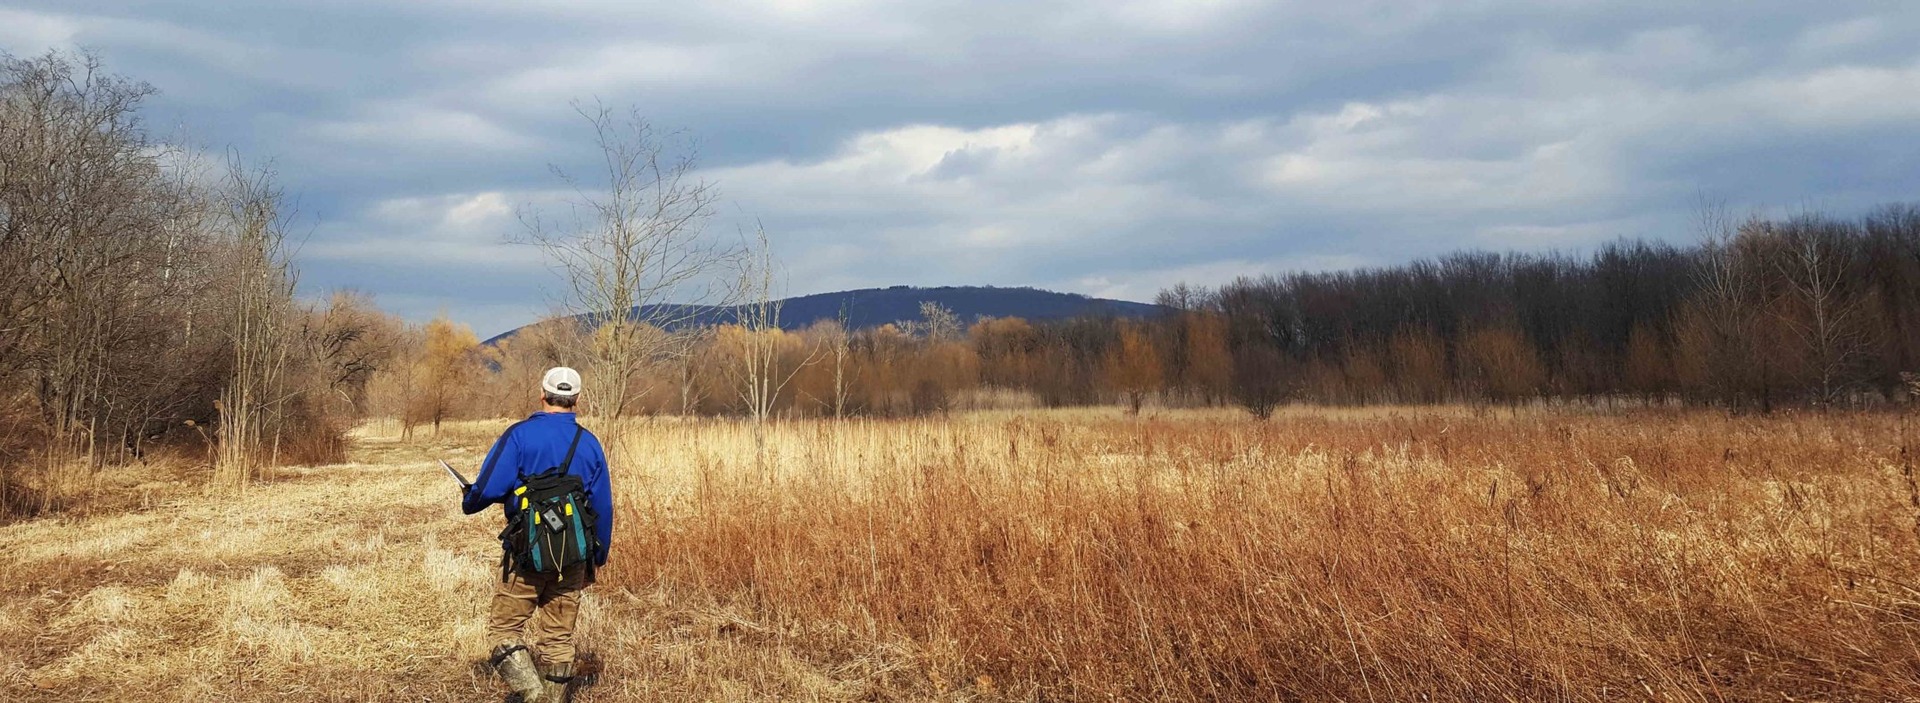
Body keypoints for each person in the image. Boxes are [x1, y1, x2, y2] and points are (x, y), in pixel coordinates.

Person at [462, 366, 613, 703]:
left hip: (526, 552)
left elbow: (489, 487)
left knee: (504, 629)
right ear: (576, 399)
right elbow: (602, 505)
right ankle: (552, 697)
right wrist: (596, 557)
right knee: (559, 637)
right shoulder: (589, 443)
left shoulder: (519, 435)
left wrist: (469, 499)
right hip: (573, 553)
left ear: (542, 394)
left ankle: (533, 694)